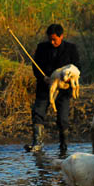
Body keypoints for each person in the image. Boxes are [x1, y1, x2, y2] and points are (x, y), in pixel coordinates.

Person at [24, 23, 81, 155]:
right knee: (37, 113)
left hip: (64, 90)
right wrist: (43, 78)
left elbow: (77, 67)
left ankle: (63, 145)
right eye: (50, 39)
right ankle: (37, 143)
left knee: (63, 118)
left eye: (55, 39)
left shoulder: (71, 49)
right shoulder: (42, 48)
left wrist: (67, 79)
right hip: (45, 87)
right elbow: (35, 66)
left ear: (61, 36)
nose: (52, 41)